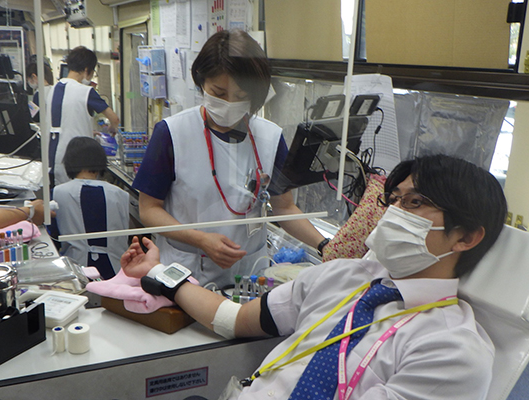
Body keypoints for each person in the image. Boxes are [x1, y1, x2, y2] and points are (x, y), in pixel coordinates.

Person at [122, 154, 507, 400]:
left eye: (415, 203)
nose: (393, 213)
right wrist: (156, 272)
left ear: (467, 237)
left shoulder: (453, 349)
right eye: (393, 200)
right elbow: (233, 319)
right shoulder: (342, 276)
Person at [132, 30, 326, 288]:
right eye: (219, 93)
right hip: (187, 274)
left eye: (242, 97)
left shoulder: (269, 137)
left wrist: (325, 245)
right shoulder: (172, 133)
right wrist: (201, 239)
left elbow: (284, 207)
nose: (229, 103)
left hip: (250, 274)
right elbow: (149, 209)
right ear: (202, 82)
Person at [52, 136, 129, 279]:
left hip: (76, 270)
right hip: (115, 272)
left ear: (69, 162)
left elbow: (54, 235)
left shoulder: (59, 192)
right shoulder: (120, 194)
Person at [47, 46, 120, 186]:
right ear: (87, 70)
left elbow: (63, 120)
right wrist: (113, 128)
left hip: (52, 157)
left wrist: (86, 129)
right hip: (76, 161)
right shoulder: (86, 92)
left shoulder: (54, 89)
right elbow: (114, 119)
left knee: (58, 200)